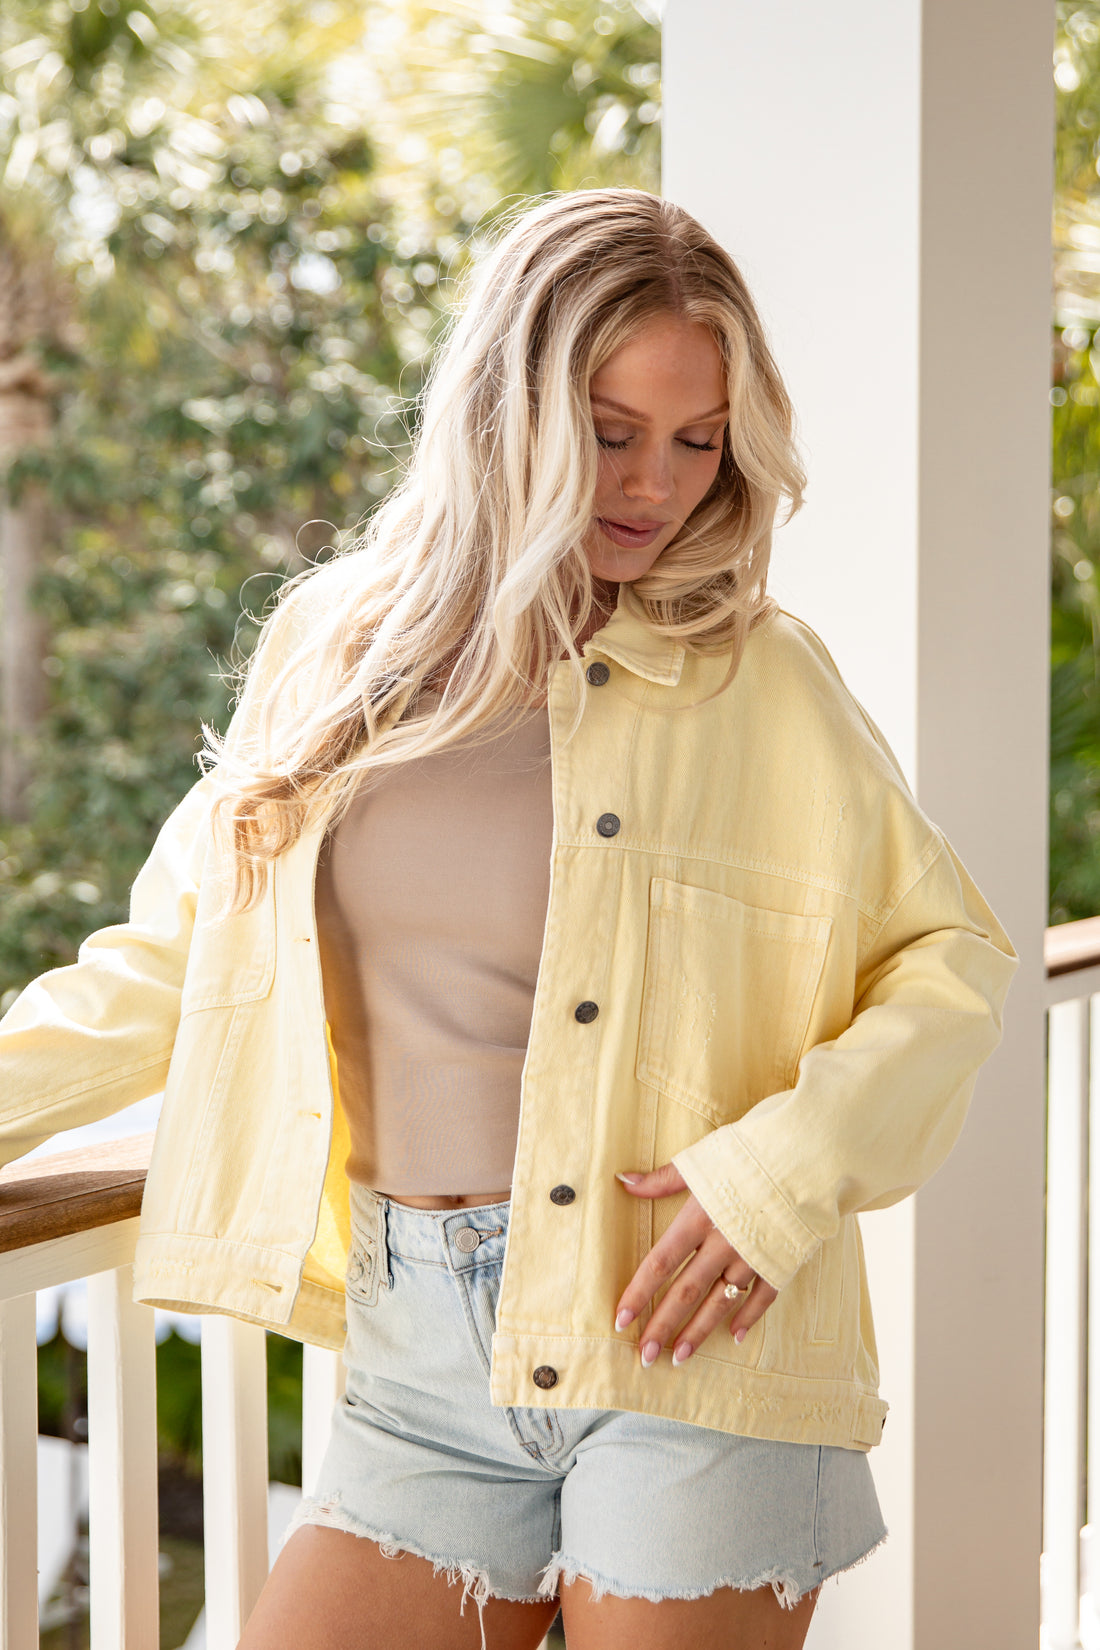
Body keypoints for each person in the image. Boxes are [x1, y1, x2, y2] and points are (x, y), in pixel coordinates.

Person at [0, 188, 1018, 1650]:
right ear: (505, 404)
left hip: (688, 1352)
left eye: (698, 437)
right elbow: (172, 961)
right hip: (419, 1369)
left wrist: (781, 1170)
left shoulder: (757, 677)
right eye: (611, 430)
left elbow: (950, 957)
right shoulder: (335, 653)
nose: (655, 483)